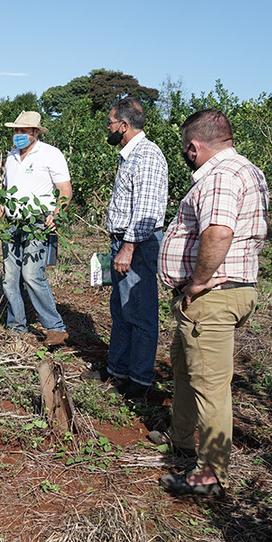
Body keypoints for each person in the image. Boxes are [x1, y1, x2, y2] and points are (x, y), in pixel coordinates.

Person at [154, 109, 268, 498]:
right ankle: (181, 435)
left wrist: (198, 282)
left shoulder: (219, 176)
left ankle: (209, 474)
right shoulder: (247, 170)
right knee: (185, 365)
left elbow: (218, 232)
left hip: (212, 297)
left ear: (193, 146)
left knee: (210, 384)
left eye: (187, 150)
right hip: (222, 294)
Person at [103, 98, 169, 399]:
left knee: (140, 313)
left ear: (124, 126)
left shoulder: (147, 155)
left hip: (138, 245)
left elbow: (146, 210)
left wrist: (127, 248)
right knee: (121, 308)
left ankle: (140, 381)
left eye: (111, 123)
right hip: (124, 241)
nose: (108, 128)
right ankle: (117, 368)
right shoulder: (130, 155)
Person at [0, 111, 72, 346]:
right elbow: (7, 190)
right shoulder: (11, 156)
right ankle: (16, 327)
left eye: (23, 131)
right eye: (16, 131)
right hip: (12, 223)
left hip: (38, 222)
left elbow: (65, 190)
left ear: (35, 132)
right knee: (10, 277)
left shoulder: (51, 154)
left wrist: (55, 214)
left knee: (32, 275)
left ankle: (55, 328)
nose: (18, 135)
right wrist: (0, 207)